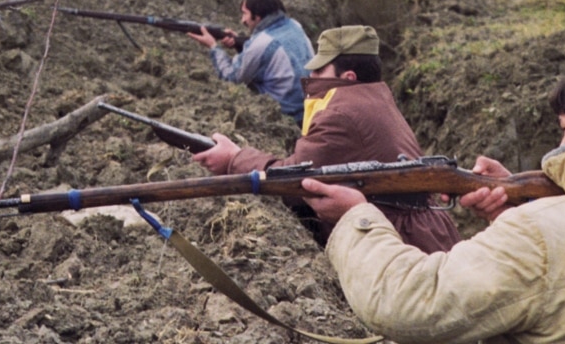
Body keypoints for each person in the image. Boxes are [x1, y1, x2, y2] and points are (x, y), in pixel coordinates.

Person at [302, 54, 565, 343]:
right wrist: (519, 208)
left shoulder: (538, 233)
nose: (561, 141)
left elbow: (409, 304)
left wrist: (357, 217)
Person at [193, 25, 461, 254]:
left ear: (348, 77)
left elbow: (294, 178)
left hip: (405, 244)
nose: (311, 78)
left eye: (320, 71)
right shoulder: (373, 97)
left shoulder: (341, 113)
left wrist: (233, 159)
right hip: (424, 235)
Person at [187, 0, 314, 124]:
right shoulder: (294, 25)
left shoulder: (261, 43)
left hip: (287, 117)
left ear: (257, 17)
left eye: (245, 14)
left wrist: (213, 46)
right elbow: (268, 51)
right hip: (311, 108)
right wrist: (239, 43)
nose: (242, 20)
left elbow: (231, 77)